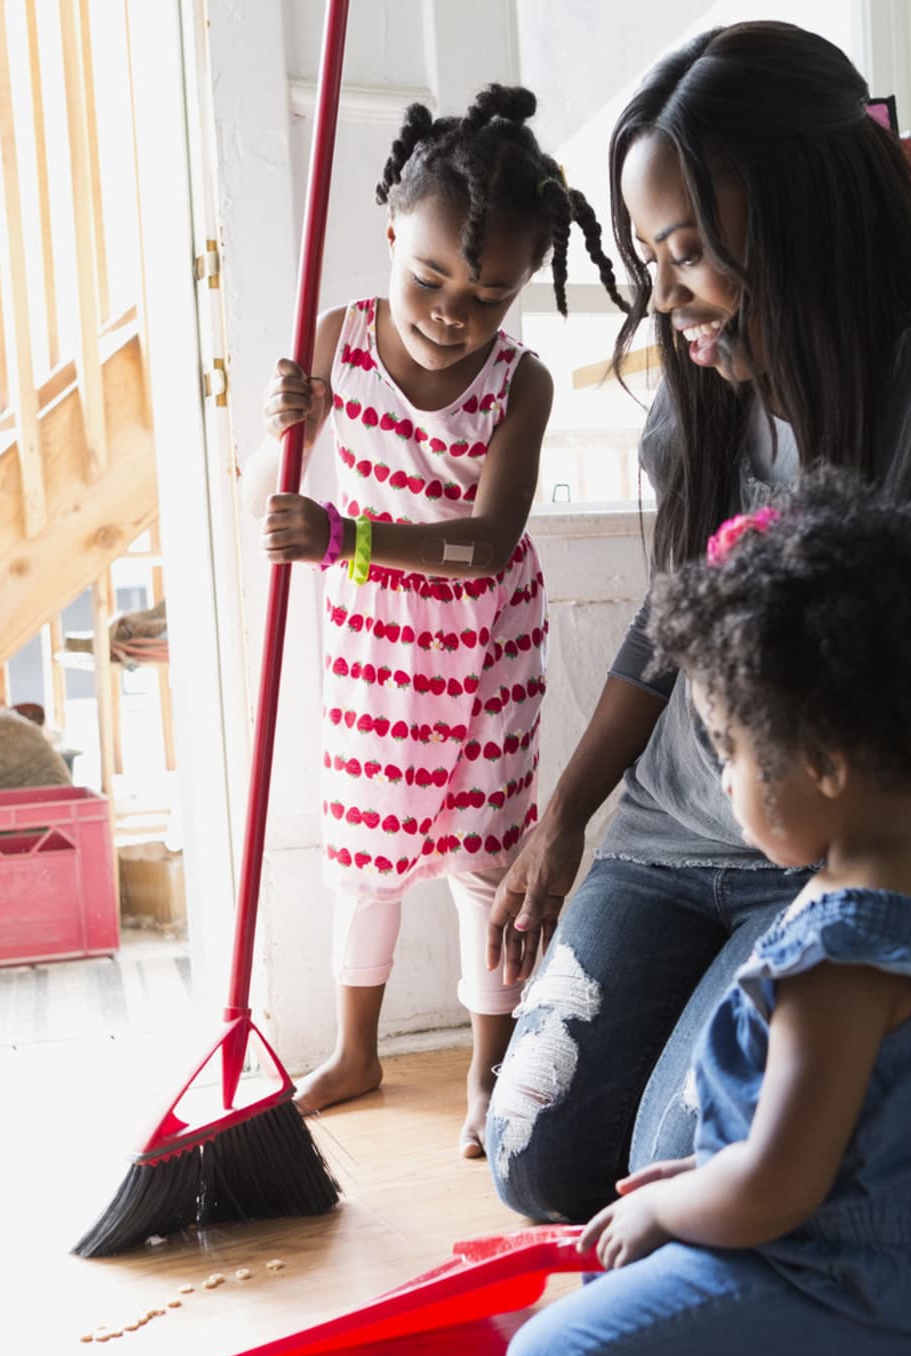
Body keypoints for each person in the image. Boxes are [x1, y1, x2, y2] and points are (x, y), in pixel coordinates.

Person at [484, 23, 911, 1218]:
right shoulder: (702, 407)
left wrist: (857, 956)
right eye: (649, 258)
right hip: (666, 842)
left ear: (807, 220)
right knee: (535, 1157)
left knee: (680, 1175)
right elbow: (665, 629)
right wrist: (565, 821)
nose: (665, 298)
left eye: (689, 254)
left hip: (821, 862)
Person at [506, 471, 911, 1356]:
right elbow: (861, 1137)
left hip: (836, 1284)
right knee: (620, 1271)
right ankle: (910, 1353)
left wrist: (672, 1204)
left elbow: (779, 1191)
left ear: (825, 760)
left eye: (732, 752)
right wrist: (697, 1179)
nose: (730, 786)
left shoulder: (838, 950)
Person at [249, 85, 627, 1154]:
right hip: (372, 651)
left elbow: (492, 539)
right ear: (389, 237)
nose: (454, 309)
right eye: (428, 276)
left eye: (490, 293)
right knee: (365, 855)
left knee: (480, 860)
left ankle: (487, 1068)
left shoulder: (522, 384)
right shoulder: (336, 339)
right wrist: (284, 428)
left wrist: (346, 539)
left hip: (481, 654)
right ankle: (358, 1049)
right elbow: (264, 495)